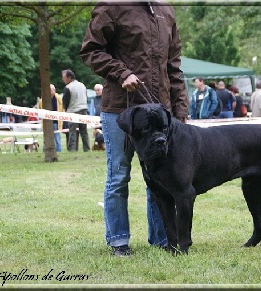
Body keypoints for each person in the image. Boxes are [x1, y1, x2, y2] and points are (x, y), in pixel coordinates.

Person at [80, 2, 188, 256]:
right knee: (119, 176)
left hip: (160, 111)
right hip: (120, 109)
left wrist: (180, 112)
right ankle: (119, 241)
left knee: (161, 178)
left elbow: (173, 66)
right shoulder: (112, 6)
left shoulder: (166, 10)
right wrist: (121, 72)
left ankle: (163, 239)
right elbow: (90, 50)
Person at [61, 69, 90, 152]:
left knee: (72, 132)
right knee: (84, 131)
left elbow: (65, 101)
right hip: (84, 109)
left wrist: (66, 110)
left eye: (64, 77)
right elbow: (86, 97)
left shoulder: (68, 87)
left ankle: (72, 149)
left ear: (69, 77)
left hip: (73, 111)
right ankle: (86, 149)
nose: (63, 80)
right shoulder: (82, 85)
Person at [38, 84, 63, 152]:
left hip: (56, 122)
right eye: (50, 90)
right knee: (46, 138)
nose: (52, 91)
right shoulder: (42, 100)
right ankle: (45, 150)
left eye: (53, 90)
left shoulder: (59, 98)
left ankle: (59, 150)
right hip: (46, 122)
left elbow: (62, 108)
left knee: (57, 137)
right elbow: (40, 109)